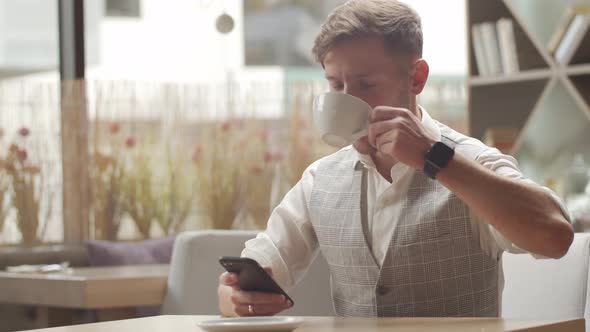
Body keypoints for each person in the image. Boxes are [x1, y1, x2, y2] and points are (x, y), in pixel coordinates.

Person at [218, 0, 573, 317]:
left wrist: (435, 158)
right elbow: (252, 272)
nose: (347, 98)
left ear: (416, 78)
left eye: (366, 84)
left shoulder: (470, 160)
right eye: (335, 84)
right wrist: (234, 296)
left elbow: (555, 236)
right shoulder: (320, 179)